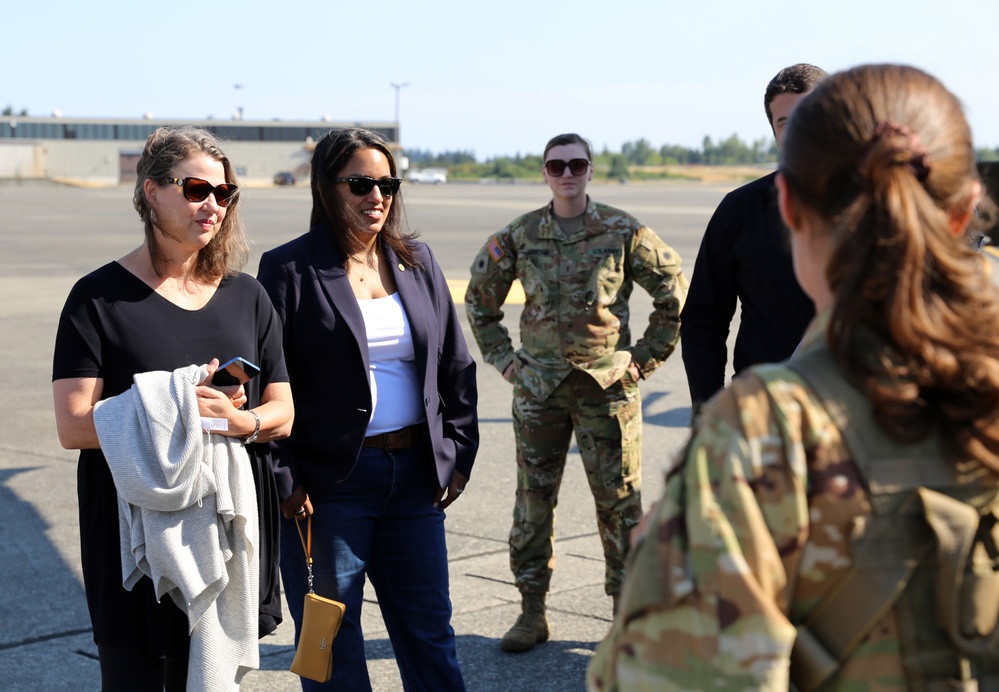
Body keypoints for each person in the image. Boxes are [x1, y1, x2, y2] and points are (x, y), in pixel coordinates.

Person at [588, 63, 999, 690]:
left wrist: (699, 486)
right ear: (967, 208)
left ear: (790, 201)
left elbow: (662, 675)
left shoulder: (763, 431)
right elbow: (704, 320)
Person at [52, 126, 294, 691]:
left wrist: (242, 422)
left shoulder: (247, 295)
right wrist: (180, 403)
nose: (213, 205)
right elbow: (72, 425)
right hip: (133, 535)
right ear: (150, 191)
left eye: (225, 192)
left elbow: (282, 409)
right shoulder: (97, 298)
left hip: (227, 529)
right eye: (195, 189)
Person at [256, 127, 478, 691]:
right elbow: (267, 385)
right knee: (331, 648)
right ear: (327, 188)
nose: (376, 196)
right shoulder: (289, 269)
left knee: (429, 636)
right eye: (360, 183)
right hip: (329, 490)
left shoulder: (416, 260)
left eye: (386, 183)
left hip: (414, 481)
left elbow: (455, 365)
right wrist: (286, 479)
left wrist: (457, 455)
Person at [464, 133, 688, 653]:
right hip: (539, 389)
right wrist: (504, 361)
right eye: (557, 165)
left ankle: (625, 616)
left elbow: (673, 293)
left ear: (590, 170)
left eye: (577, 164)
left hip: (606, 391)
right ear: (544, 172)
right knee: (533, 502)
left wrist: (642, 361)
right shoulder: (521, 235)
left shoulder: (622, 230)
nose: (567, 173)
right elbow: (480, 301)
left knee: (620, 505)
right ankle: (531, 611)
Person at [680, 63, 826, 423]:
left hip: (859, 419)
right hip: (764, 416)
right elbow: (703, 318)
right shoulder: (740, 209)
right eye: (784, 122)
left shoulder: (882, 205)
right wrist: (709, 410)